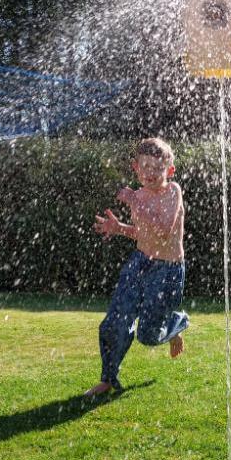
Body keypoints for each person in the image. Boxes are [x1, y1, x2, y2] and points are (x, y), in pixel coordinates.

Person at [85, 138, 189, 396]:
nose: (151, 173)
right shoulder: (139, 195)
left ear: (170, 171)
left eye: (158, 168)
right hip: (140, 262)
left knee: (148, 335)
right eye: (146, 167)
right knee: (115, 320)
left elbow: (164, 232)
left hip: (167, 271)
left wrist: (135, 202)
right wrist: (119, 229)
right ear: (136, 168)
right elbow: (145, 235)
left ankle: (176, 323)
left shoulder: (172, 192)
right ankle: (107, 379)